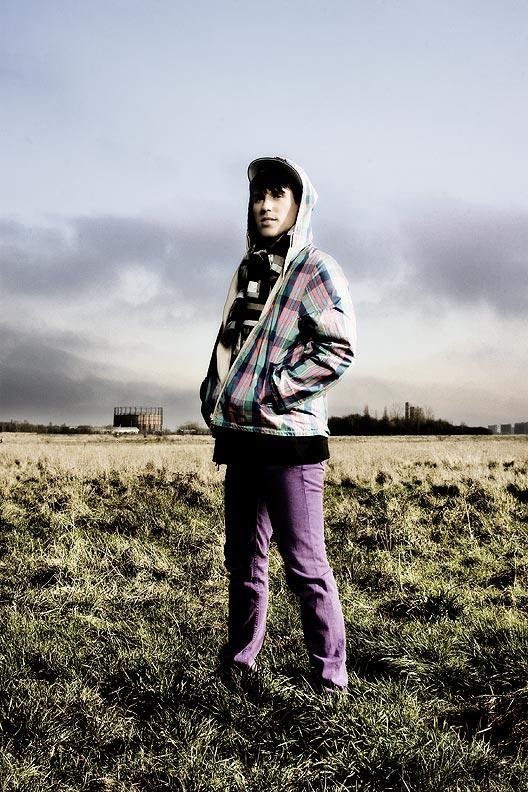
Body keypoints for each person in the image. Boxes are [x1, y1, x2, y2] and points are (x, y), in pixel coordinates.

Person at [200, 156, 356, 693]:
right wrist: (214, 392)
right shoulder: (247, 270)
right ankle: (240, 664)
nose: (264, 206)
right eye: (258, 196)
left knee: (305, 564)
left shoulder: (317, 269)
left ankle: (330, 678)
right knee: (243, 559)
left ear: (299, 205)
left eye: (277, 195)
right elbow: (230, 343)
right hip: (242, 439)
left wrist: (274, 388)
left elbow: (338, 349)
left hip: (291, 443)